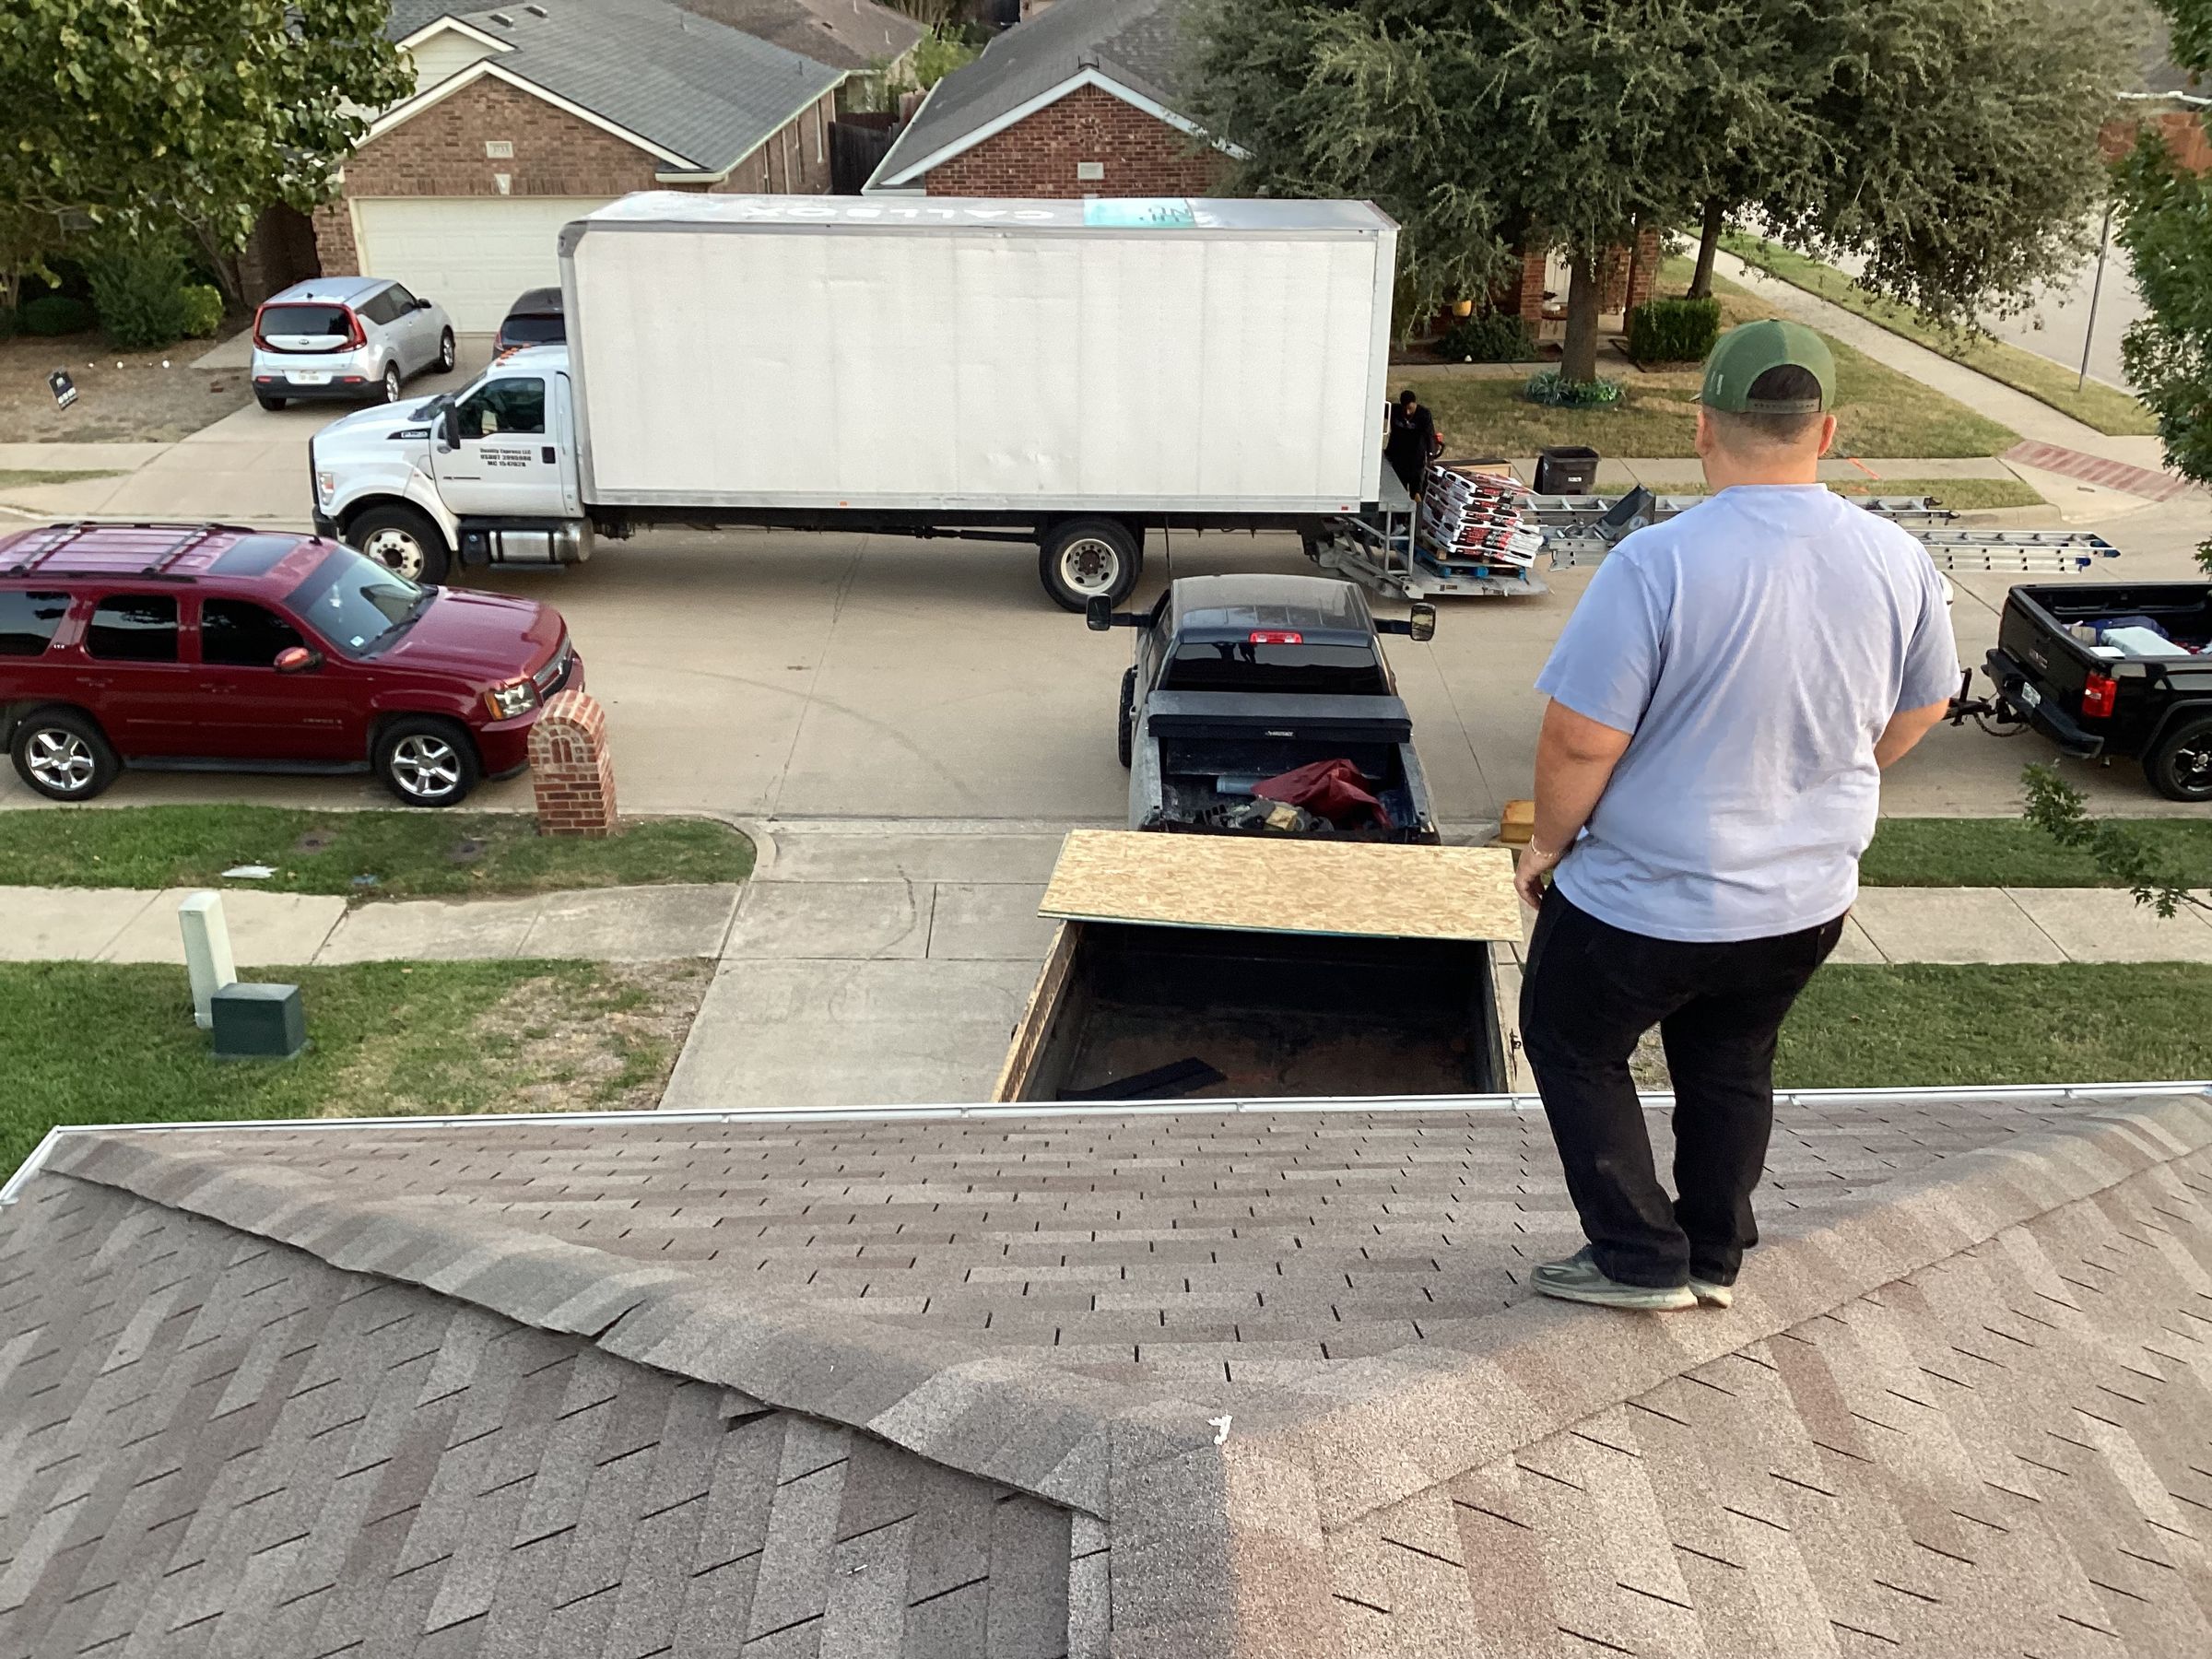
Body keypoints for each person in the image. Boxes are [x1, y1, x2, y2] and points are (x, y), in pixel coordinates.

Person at [1512, 319, 1958, 1313]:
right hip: (1801, 903)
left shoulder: (1657, 563)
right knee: (1730, 1058)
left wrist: (1548, 846)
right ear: (1827, 431)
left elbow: (1581, 740)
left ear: (1705, 427)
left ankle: (1639, 1256)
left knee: (1570, 1039)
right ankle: (1713, 1253)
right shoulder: (1899, 560)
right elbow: (1924, 705)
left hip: (1648, 901)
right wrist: (1831, 770)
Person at [1385, 388, 1438, 498]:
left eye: (1410, 408)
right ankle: (1399, 514)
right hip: (1398, 459)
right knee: (1399, 491)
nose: (1407, 412)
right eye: (1405, 409)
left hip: (1416, 460)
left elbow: (1430, 436)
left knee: (1416, 491)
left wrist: (1431, 456)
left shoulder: (1424, 414)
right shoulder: (1394, 410)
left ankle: (1416, 511)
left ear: (1415, 404)